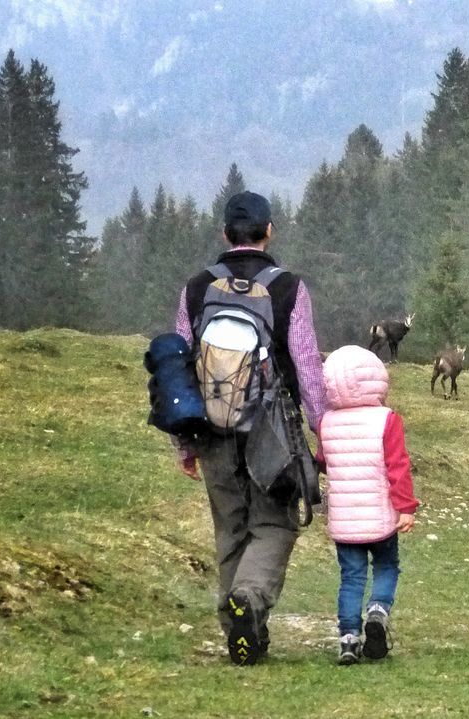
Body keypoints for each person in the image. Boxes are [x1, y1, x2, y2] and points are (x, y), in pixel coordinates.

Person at [174, 191, 326, 665]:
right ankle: (251, 600)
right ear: (270, 231)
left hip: (211, 429)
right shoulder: (289, 288)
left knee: (231, 528)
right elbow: (306, 365)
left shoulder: (197, 288)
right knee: (276, 523)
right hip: (271, 431)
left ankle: (238, 631)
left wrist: (184, 443)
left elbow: (178, 366)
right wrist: (323, 431)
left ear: (225, 235)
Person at [318, 345, 419, 665]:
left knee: (351, 578)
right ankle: (377, 611)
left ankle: (348, 639)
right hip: (380, 518)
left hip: (345, 522)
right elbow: (397, 466)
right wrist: (405, 507)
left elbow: (324, 461)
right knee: (387, 566)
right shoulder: (387, 420)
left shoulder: (326, 422)